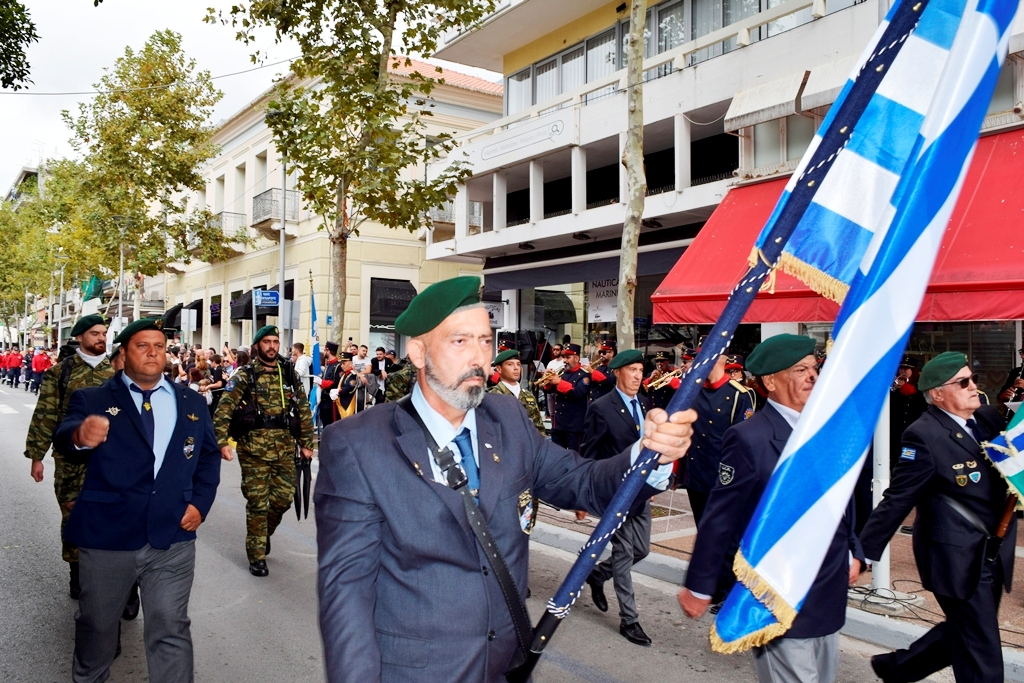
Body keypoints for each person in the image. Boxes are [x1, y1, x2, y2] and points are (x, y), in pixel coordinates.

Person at [314, 276, 695, 682]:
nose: (479, 356)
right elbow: (346, 592)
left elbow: (584, 482)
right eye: (460, 342)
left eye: (485, 340)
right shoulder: (358, 444)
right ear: (419, 352)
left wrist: (648, 455)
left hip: (507, 667)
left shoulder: (508, 421)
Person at [679, 334, 864, 683]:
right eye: (800, 370)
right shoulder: (749, 437)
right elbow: (721, 517)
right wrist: (701, 586)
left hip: (826, 588)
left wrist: (854, 549)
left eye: (814, 368)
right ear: (770, 381)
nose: (813, 376)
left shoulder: (826, 429)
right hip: (778, 589)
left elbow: (840, 501)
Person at [53, 318, 222, 683]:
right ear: (124, 353)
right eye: (142, 346)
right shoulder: (94, 398)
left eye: (159, 346)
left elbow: (208, 455)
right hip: (108, 535)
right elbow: (64, 436)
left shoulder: (191, 400)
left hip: (172, 537)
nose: (152, 353)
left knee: (171, 627)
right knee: (98, 626)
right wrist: (81, 435)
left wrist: (200, 505)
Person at [859, 352, 1013, 683]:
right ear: (938, 394)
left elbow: (1013, 462)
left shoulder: (987, 418)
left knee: (968, 630)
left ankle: (898, 668)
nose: (974, 386)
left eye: (972, 379)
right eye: (963, 382)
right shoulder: (923, 435)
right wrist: (863, 554)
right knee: (981, 651)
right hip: (956, 557)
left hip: (994, 550)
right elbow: (897, 500)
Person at [24, 314, 114, 598]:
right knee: (73, 515)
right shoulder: (60, 372)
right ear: (79, 337)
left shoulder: (118, 370)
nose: (101, 338)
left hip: (111, 458)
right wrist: (37, 456)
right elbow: (46, 414)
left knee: (115, 515)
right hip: (70, 459)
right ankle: (77, 572)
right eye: (95, 333)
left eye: (104, 333)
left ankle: (122, 582)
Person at [213, 326, 316, 577]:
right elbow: (224, 409)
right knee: (258, 503)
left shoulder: (288, 373)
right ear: (257, 346)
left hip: (284, 447)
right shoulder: (244, 375)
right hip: (253, 448)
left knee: (283, 500)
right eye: (267, 342)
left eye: (276, 342)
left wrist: (307, 443)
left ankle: (264, 533)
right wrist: (221, 441)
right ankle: (257, 554)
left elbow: (303, 408)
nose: (272, 346)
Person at [581, 349, 658, 646]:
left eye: (641, 370)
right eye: (632, 370)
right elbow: (589, 452)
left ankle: (598, 574)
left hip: (642, 491)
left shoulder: (646, 403)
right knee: (625, 554)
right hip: (616, 493)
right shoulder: (601, 407)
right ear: (617, 372)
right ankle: (630, 620)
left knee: (642, 550)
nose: (638, 375)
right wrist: (585, 494)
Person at [683, 352, 757, 525]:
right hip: (696, 474)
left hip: (723, 477)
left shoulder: (740, 394)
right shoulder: (693, 390)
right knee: (702, 529)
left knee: (723, 534)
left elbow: (743, 443)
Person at [543, 343, 590, 453]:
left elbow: (578, 392)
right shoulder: (562, 373)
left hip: (574, 425)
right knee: (557, 457)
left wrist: (559, 382)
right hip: (559, 423)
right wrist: (547, 379)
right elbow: (548, 390)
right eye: (564, 357)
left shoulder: (584, 375)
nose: (565, 360)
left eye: (568, 357)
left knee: (575, 458)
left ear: (577, 358)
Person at [487, 348, 545, 435]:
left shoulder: (528, 396)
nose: (516, 368)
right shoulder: (492, 396)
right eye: (510, 364)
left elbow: (538, 427)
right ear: (499, 369)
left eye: (518, 364)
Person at [327, 352, 362, 419]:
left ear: (350, 363)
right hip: (341, 404)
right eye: (341, 364)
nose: (342, 366)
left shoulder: (353, 375)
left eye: (344, 363)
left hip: (348, 404)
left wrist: (338, 392)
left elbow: (348, 388)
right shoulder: (344, 375)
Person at [317, 342, 343, 427]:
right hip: (324, 401)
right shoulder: (328, 365)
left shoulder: (338, 366)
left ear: (328, 350)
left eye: (324, 350)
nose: (324, 352)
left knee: (330, 427)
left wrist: (321, 382)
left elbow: (335, 382)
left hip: (331, 403)